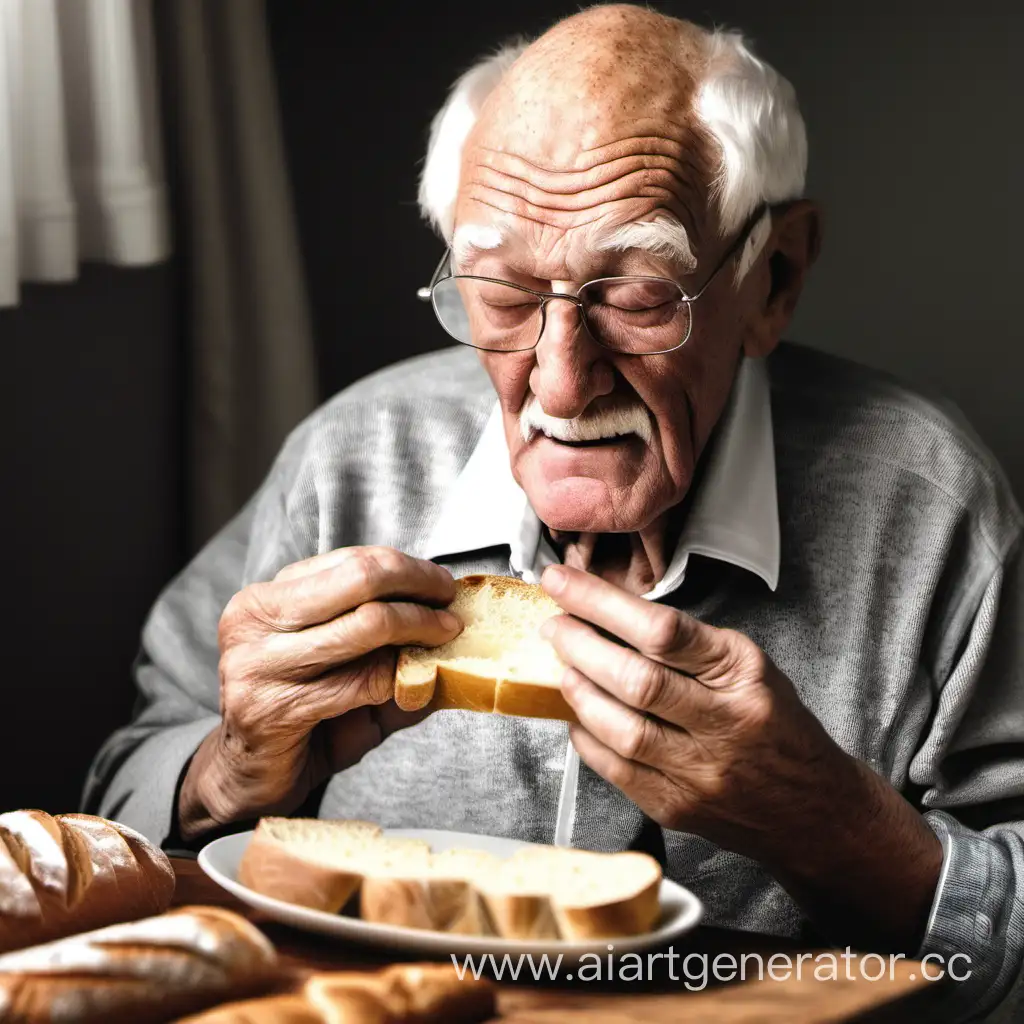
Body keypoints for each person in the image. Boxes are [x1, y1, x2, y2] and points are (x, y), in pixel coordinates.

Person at [85, 6, 1023, 1019]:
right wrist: (230, 769)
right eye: (502, 291)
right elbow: (118, 793)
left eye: (638, 294)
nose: (562, 384)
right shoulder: (350, 458)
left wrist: (830, 824)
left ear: (771, 278)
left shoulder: (934, 508)